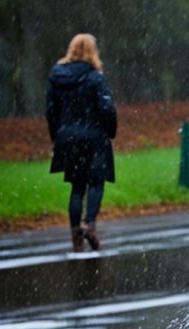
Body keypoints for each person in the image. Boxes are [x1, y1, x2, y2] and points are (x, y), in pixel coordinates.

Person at [46, 33, 117, 252]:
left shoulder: (56, 78)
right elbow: (106, 108)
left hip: (67, 138)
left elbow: (51, 111)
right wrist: (110, 130)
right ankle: (90, 223)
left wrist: (57, 137)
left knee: (77, 186)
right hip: (94, 136)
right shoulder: (95, 78)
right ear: (92, 52)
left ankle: (76, 234)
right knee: (96, 181)